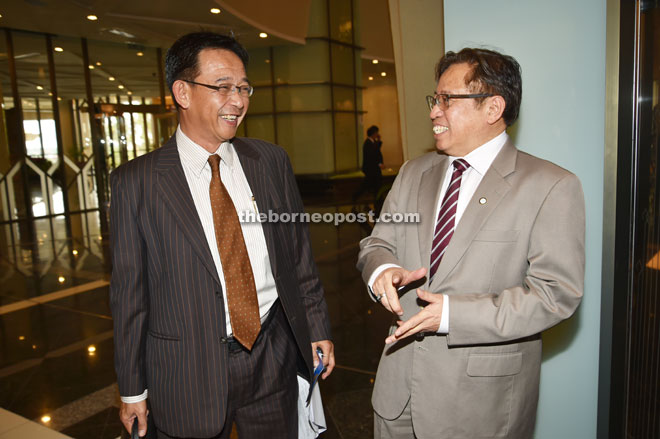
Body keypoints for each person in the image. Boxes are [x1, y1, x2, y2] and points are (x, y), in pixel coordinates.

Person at [110, 32, 335, 439]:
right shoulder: (137, 183)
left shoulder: (269, 161)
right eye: (222, 87)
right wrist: (131, 389)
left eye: (244, 87)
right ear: (182, 91)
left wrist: (316, 326)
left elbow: (298, 256)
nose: (238, 100)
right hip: (186, 371)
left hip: (273, 356)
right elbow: (129, 295)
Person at [357, 48, 584, 439]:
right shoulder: (414, 172)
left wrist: (452, 316)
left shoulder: (551, 186)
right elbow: (378, 242)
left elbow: (555, 295)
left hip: (481, 409)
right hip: (398, 396)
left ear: (493, 107)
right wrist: (381, 269)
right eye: (435, 98)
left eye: (448, 99)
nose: (434, 111)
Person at [352, 125, 384, 208]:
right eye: (376, 132)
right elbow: (373, 154)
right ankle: (356, 196)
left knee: (375, 184)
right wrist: (379, 141)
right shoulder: (368, 143)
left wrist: (380, 163)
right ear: (373, 133)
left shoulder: (372, 142)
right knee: (367, 185)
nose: (377, 134)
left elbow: (377, 153)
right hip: (370, 169)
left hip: (374, 168)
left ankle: (378, 199)